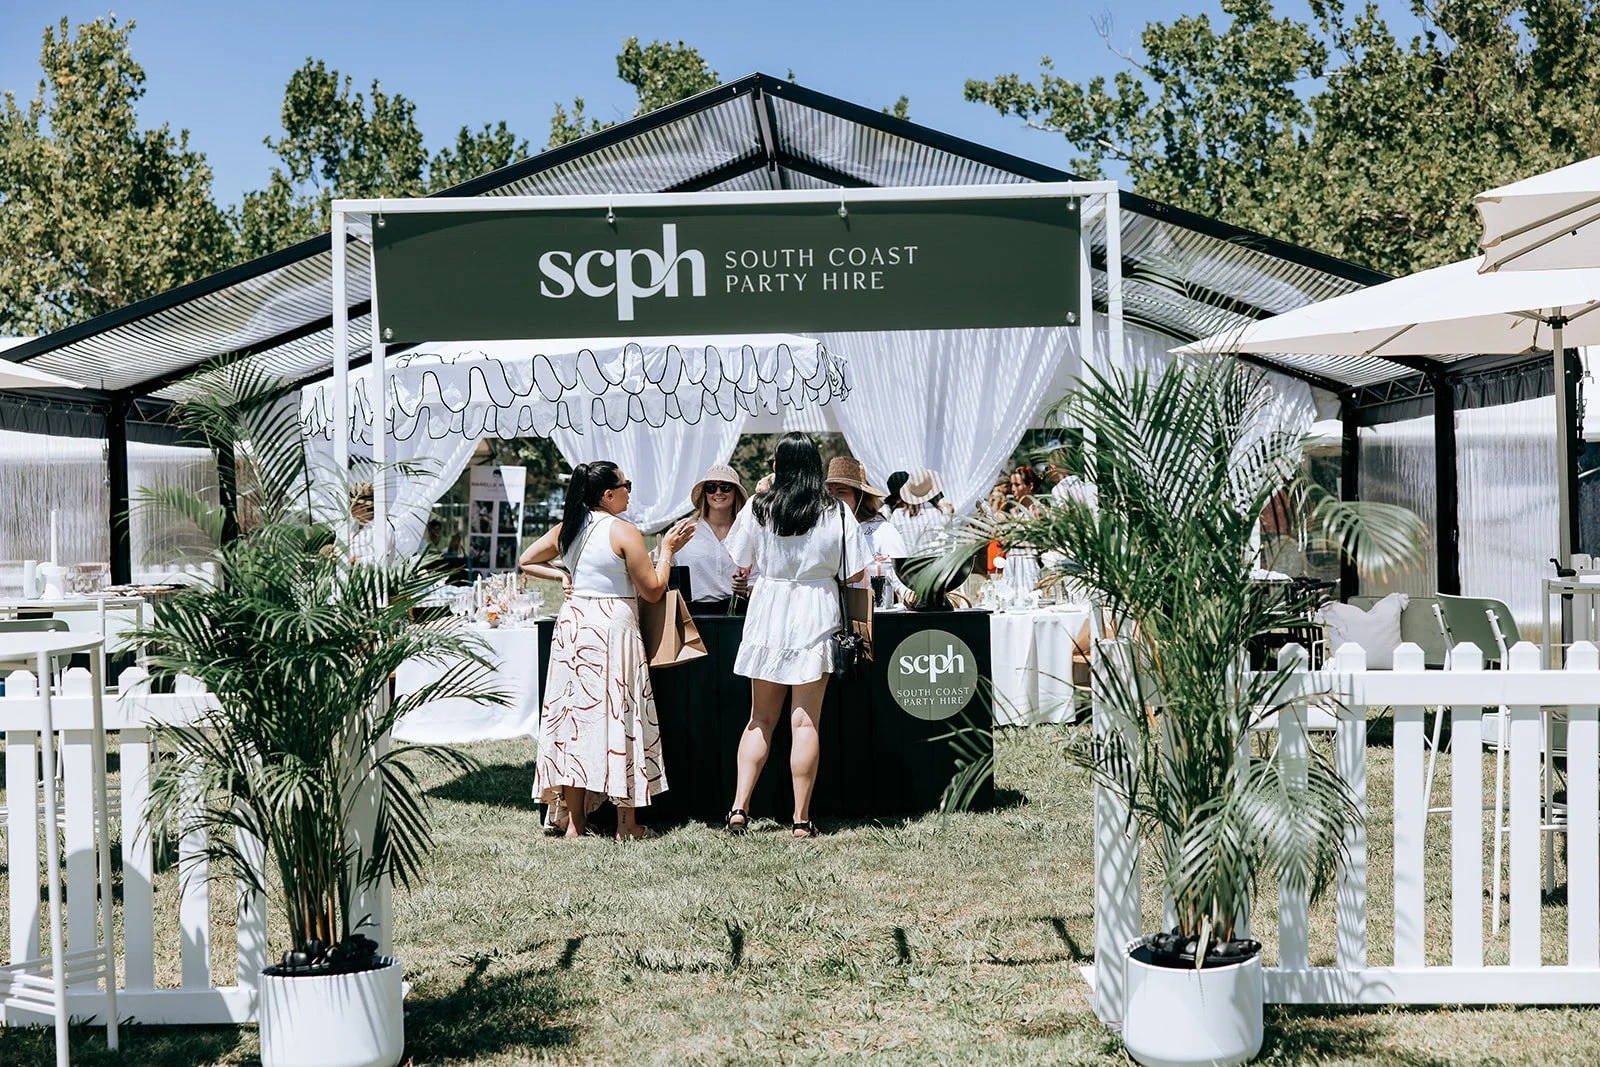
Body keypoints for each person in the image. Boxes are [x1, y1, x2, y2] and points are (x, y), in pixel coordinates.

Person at [519, 461, 694, 840]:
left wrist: (562, 574)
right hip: (613, 626)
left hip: (573, 625)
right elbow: (652, 589)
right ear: (607, 494)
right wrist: (666, 550)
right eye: (625, 484)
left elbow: (527, 560)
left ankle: (575, 826)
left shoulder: (569, 529)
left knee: (575, 723)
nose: (630, 490)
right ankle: (626, 824)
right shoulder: (624, 532)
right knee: (620, 715)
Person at [725, 433, 869, 839]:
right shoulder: (837, 512)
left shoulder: (759, 506)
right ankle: (801, 820)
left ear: (777, 466)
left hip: (769, 609)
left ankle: (739, 807)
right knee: (805, 723)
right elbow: (855, 573)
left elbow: (739, 558)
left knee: (759, 719)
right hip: (815, 611)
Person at [674, 464, 750, 612]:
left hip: (737, 612)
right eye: (711, 487)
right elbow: (657, 562)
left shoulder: (746, 531)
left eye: (725, 487)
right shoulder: (683, 529)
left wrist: (746, 587)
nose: (718, 492)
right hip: (693, 614)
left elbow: (760, 574)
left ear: (736, 492)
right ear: (705, 493)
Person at [824, 456, 905, 593]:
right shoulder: (825, 531)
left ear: (860, 496)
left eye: (841, 492)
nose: (834, 499)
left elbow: (901, 578)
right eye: (830, 493)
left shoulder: (884, 532)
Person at [888, 468, 953, 555]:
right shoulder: (942, 514)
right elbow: (950, 545)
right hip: (936, 564)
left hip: (907, 565)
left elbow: (893, 546)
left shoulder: (897, 515)